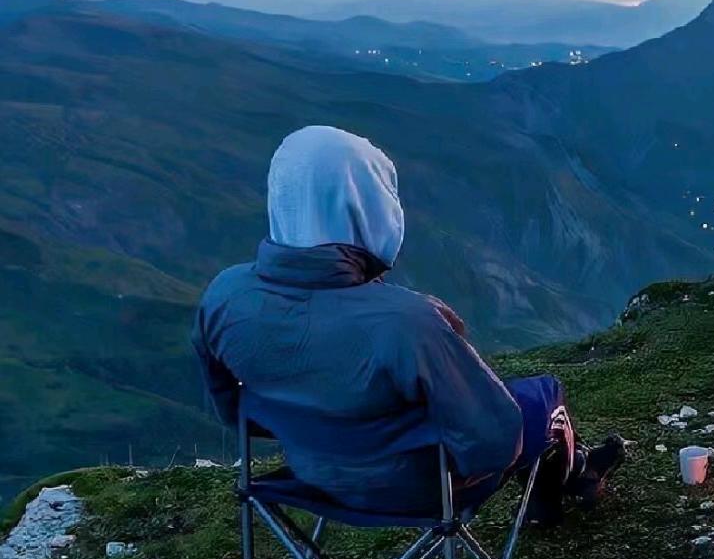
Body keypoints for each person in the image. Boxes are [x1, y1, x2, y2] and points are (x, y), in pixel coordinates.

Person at [192, 124, 624, 524]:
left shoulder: (224, 296)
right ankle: (572, 475)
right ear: (365, 206)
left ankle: (574, 473)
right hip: (419, 489)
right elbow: (494, 445)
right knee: (543, 395)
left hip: (311, 475)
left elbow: (235, 411)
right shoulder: (406, 322)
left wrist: (317, 430)